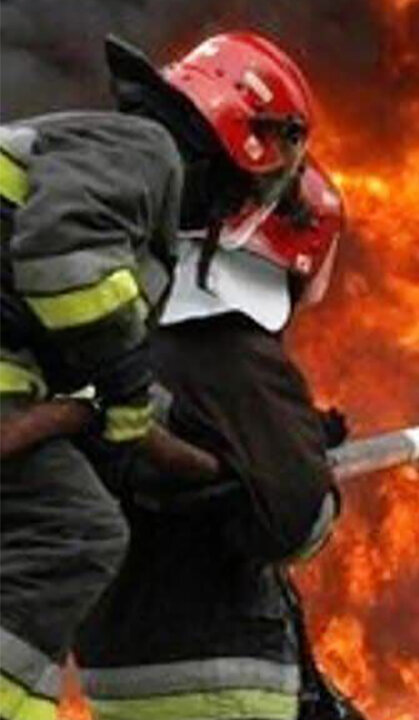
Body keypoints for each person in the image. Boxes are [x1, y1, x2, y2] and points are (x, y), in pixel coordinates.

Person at [0, 31, 314, 720]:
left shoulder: (113, 158)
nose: (240, 202)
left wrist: (135, 416)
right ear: (245, 140)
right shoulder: (146, 152)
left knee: (47, 527)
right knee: (75, 534)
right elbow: (62, 261)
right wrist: (122, 385)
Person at [75, 159, 360, 720]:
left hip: (121, 664)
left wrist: (275, 450)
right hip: (219, 672)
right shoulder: (238, 356)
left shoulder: (131, 343)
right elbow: (293, 526)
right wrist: (303, 468)